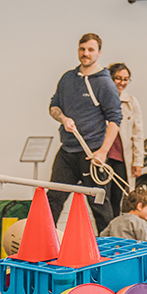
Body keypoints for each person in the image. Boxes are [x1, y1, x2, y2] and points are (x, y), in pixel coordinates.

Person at [47, 33, 122, 233]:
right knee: (53, 199)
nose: (85, 53)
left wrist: (103, 152)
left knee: (99, 205)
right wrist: (63, 119)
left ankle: (109, 252)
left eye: (90, 50)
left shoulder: (104, 83)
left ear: (99, 53)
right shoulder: (67, 79)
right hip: (67, 151)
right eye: (82, 49)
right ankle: (44, 245)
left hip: (92, 153)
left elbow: (115, 120)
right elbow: (53, 107)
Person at [106, 62, 145, 218]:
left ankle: (116, 231)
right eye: (118, 78)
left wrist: (138, 161)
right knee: (102, 198)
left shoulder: (131, 102)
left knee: (119, 198)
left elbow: (138, 133)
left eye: (126, 79)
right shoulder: (100, 99)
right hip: (104, 157)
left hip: (122, 158)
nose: (122, 82)